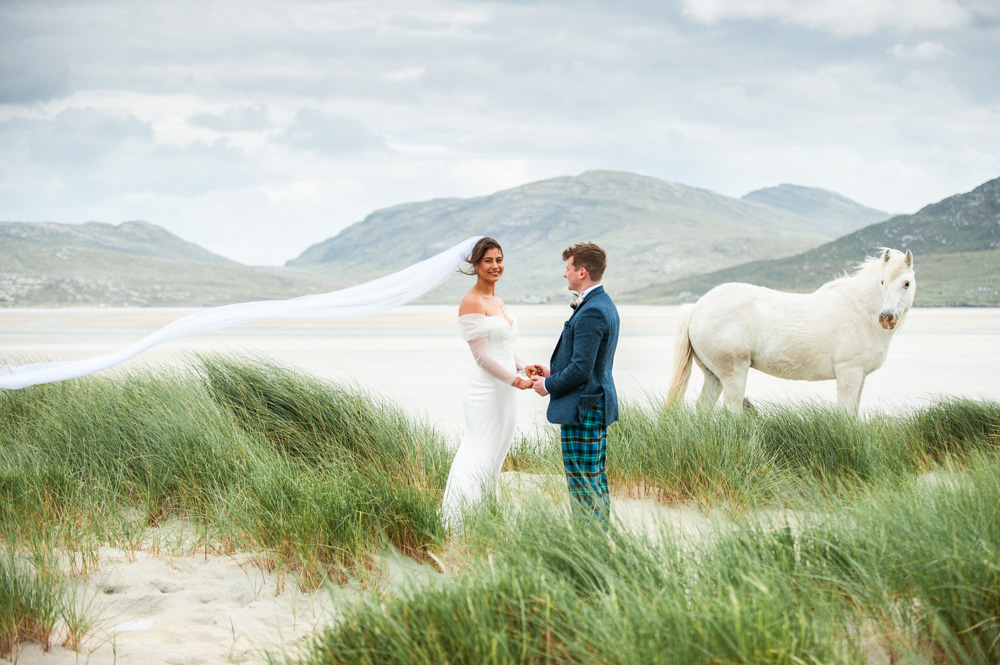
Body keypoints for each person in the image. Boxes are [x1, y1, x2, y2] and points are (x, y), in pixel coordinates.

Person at [440, 237, 537, 528]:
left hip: (504, 392)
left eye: (499, 259)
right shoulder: (471, 301)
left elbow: (503, 347)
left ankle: (484, 516)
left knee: (496, 454)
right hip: (485, 392)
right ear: (476, 265)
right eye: (488, 261)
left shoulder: (498, 301)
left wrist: (524, 366)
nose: (495, 266)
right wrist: (517, 382)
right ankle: (458, 521)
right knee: (477, 451)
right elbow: (482, 356)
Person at [531, 242, 620, 524]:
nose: (564, 274)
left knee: (583, 482)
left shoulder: (593, 310)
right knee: (593, 478)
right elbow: (586, 362)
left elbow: (581, 370)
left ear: (582, 272)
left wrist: (548, 385)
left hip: (584, 407)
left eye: (567, 268)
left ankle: (589, 542)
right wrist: (552, 371)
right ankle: (596, 540)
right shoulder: (599, 303)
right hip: (593, 402)